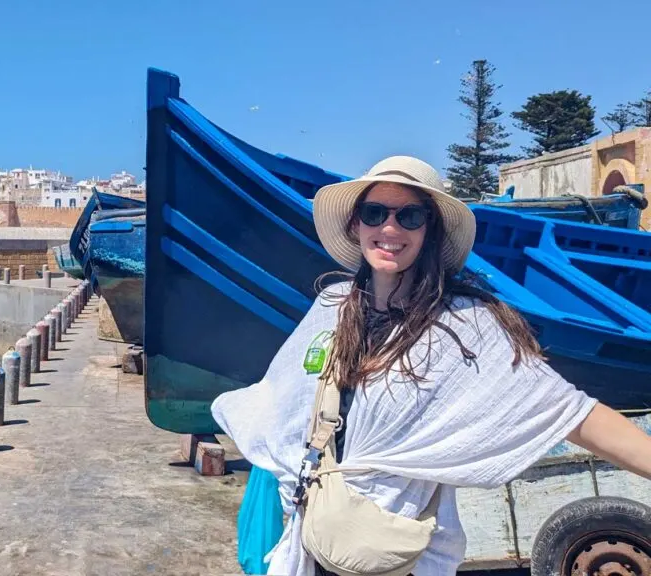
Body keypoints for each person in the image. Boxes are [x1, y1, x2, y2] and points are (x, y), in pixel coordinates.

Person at [211, 155, 651, 576]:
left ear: (431, 230)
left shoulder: (464, 324)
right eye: (374, 212)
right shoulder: (333, 306)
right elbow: (280, 407)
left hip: (396, 551)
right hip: (314, 532)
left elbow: (570, 414)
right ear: (355, 223)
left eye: (410, 217)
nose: (389, 228)